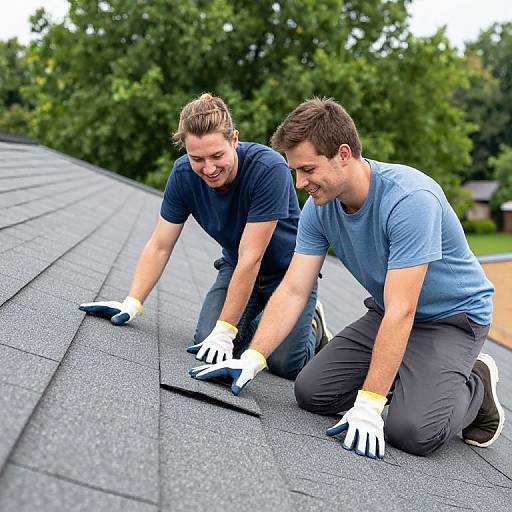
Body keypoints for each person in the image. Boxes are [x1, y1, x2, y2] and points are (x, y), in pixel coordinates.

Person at [190, 97, 504, 459]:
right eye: (295, 170)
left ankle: (474, 385)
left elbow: (405, 309)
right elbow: (293, 289)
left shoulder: (410, 199)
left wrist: (370, 404)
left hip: (451, 321)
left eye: (307, 169)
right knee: (312, 392)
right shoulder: (320, 208)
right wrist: (252, 358)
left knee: (412, 431)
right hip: (390, 313)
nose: (300, 181)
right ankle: (411, 375)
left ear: (342, 154)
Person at [79, 93, 330, 379]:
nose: (208, 169)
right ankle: (260, 322)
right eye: (197, 158)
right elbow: (160, 245)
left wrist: (226, 330)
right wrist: (132, 302)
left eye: (217, 156)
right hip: (236, 268)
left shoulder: (267, 169)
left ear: (234, 140)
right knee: (205, 341)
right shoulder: (183, 175)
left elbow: (253, 256)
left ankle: (312, 323)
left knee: (283, 364)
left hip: (289, 277)